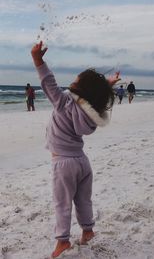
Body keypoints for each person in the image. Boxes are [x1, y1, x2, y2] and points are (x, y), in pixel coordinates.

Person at [31, 41, 120, 258]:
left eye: (75, 81)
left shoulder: (64, 103)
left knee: (62, 203)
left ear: (79, 91)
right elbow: (91, 99)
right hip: (82, 162)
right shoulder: (89, 116)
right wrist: (105, 87)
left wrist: (38, 60)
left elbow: (48, 83)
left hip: (63, 164)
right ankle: (88, 231)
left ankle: (62, 242)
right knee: (83, 199)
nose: (71, 84)